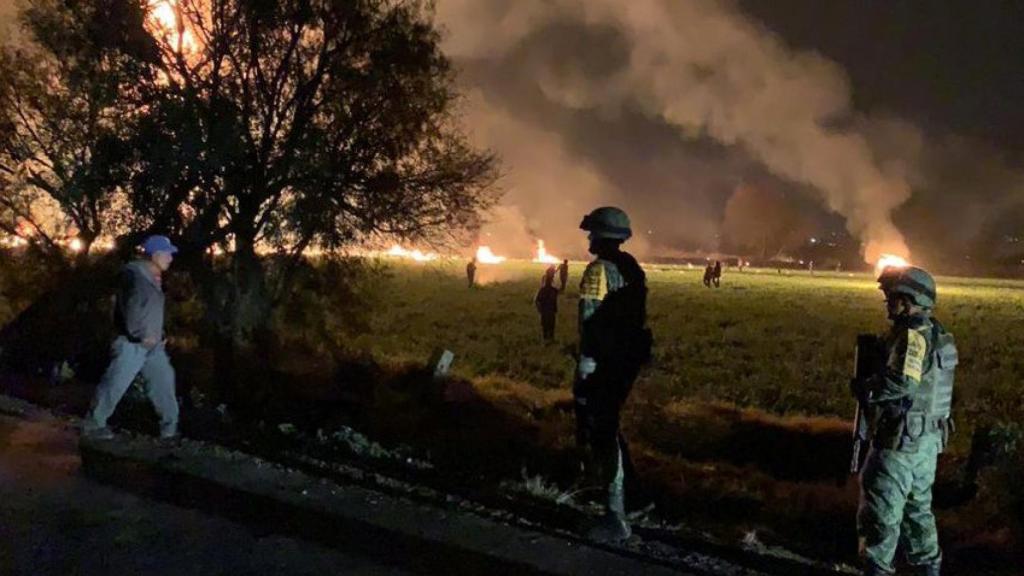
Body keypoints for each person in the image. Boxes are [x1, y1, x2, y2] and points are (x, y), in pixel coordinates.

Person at [851, 266, 956, 576]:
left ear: (909, 300)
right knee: (918, 512)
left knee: (880, 512)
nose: (887, 303)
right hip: (926, 444)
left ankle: (878, 569)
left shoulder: (911, 337)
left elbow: (903, 384)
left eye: (892, 297)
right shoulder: (939, 335)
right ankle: (928, 569)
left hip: (899, 444)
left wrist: (865, 389)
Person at [574, 206, 652, 543]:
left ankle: (615, 516)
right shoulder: (631, 268)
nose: (589, 238)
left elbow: (590, 322)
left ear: (603, 237)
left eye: (593, 233)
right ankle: (635, 499)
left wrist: (586, 366)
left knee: (601, 431)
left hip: (603, 362)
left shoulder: (597, 271)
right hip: (625, 361)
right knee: (609, 426)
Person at [82, 235, 181, 441]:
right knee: (115, 384)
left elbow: (151, 310)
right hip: (132, 345)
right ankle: (93, 425)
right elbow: (129, 308)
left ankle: (169, 432)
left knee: (164, 385)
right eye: (167, 254)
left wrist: (160, 334)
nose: (171, 258)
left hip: (153, 346)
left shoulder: (154, 277)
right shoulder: (133, 276)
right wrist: (139, 335)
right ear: (155, 254)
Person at [534, 273, 559, 342]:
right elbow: (559, 291)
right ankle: (551, 339)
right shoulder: (554, 290)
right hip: (551, 311)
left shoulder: (542, 290)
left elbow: (536, 301)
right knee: (551, 326)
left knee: (545, 327)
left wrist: (539, 309)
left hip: (544, 311)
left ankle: (546, 340)